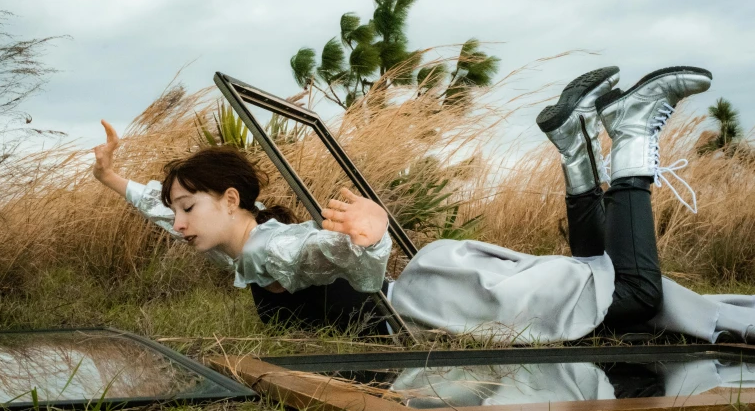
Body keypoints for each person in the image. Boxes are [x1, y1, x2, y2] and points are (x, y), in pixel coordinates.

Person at [93, 65, 755, 344]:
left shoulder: (274, 248)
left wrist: (371, 235)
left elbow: (342, 260)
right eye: (174, 209)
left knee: (632, 295)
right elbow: (160, 208)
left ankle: (632, 133)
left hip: (441, 301)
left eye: (186, 208)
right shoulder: (238, 241)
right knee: (601, 282)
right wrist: (113, 181)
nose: (175, 221)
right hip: (440, 284)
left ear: (230, 200)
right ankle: (573, 148)